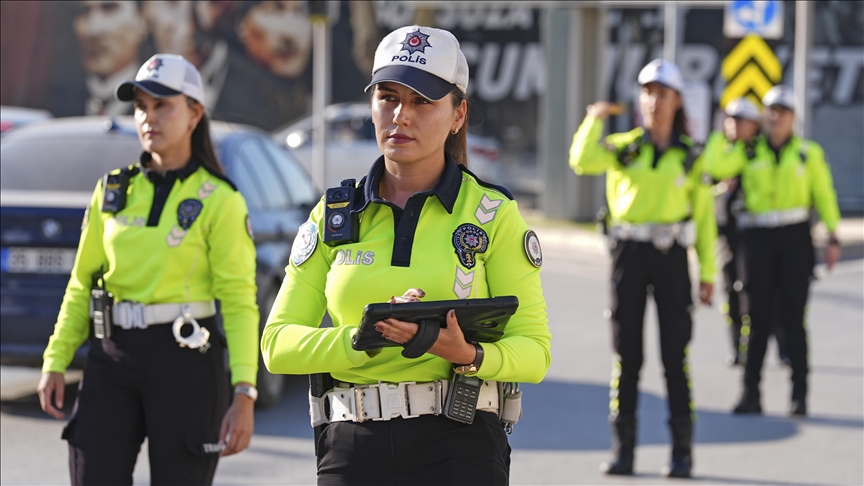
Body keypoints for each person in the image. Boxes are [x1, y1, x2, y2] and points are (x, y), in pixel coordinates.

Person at [261, 25, 551, 485]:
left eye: (422, 101)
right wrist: (362, 339)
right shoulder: (333, 214)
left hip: (460, 443)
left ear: (459, 115)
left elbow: (534, 351)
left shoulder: (493, 214)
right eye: (388, 97)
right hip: (352, 444)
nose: (401, 116)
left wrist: (468, 354)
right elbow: (277, 346)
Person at [36, 53, 259, 485]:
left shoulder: (221, 199)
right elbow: (82, 282)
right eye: (141, 106)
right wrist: (55, 360)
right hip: (111, 355)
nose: (148, 117)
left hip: (187, 361)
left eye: (163, 105)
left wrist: (244, 390)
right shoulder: (113, 190)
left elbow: (239, 300)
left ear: (195, 113)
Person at [569, 59, 720, 478]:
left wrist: (708, 273)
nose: (654, 100)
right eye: (647, 92)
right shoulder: (624, 147)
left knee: (675, 356)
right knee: (627, 355)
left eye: (662, 93)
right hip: (628, 255)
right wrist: (593, 121)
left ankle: (682, 454)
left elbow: (705, 220)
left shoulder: (690, 156)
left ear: (676, 101)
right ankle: (624, 450)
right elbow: (582, 161)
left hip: (671, 257)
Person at [707, 85, 841, 417]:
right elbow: (714, 165)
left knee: (794, 319)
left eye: (782, 111)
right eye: (770, 110)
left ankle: (799, 395)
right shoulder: (748, 152)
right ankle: (750, 394)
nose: (775, 117)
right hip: (757, 239)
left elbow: (823, 194)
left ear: (793, 117)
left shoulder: (808, 154)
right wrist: (728, 133)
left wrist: (833, 236)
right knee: (756, 318)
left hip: (795, 237)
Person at [711, 98, 761, 367]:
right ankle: (737, 345)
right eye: (729, 119)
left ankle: (773, 344)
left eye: (741, 120)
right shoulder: (720, 147)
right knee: (731, 288)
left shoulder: (759, 151)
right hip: (726, 232)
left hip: (756, 233)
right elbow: (710, 170)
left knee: (759, 290)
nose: (734, 125)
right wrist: (721, 188)